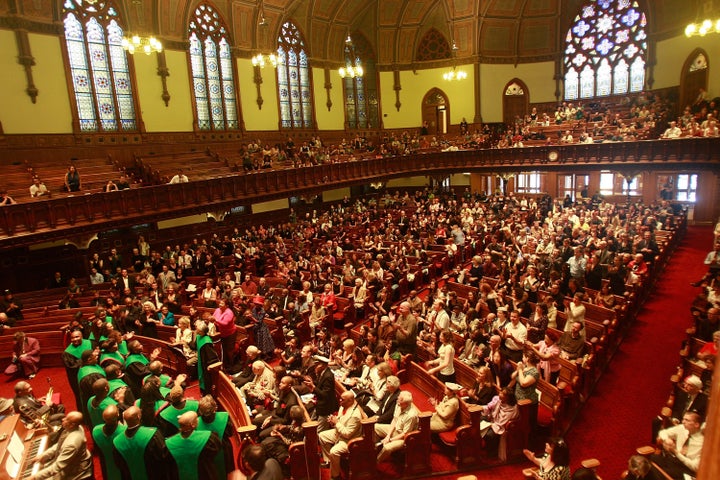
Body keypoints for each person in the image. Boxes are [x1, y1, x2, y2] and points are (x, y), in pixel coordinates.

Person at [27, 411, 93, 480]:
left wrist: (34, 477)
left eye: (67, 419)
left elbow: (57, 467)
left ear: (72, 425)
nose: (63, 419)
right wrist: (44, 455)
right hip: (66, 463)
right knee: (44, 467)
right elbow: (59, 444)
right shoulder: (75, 427)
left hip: (74, 470)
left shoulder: (72, 444)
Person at [113, 405, 171, 480]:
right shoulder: (152, 434)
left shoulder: (117, 441)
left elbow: (119, 464)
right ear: (139, 417)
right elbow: (163, 456)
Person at [318, 390, 363, 480]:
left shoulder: (355, 415)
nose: (340, 401)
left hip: (349, 441)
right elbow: (339, 420)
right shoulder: (343, 407)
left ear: (350, 401)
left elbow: (347, 434)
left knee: (334, 451)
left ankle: (336, 475)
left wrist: (337, 423)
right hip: (339, 433)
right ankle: (329, 461)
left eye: (342, 400)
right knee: (322, 435)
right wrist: (332, 421)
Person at [166, 411, 222, 480]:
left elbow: (168, 465)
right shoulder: (208, 438)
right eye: (196, 419)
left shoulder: (169, 443)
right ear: (193, 425)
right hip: (204, 475)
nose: (198, 420)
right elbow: (216, 451)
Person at [652, 411, 704, 479]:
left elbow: (695, 467)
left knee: (660, 473)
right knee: (650, 459)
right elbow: (663, 432)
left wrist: (676, 452)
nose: (683, 422)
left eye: (687, 420)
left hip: (687, 469)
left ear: (696, 424)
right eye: (683, 419)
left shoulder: (702, 443)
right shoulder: (682, 428)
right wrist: (666, 439)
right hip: (674, 460)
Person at [375, 390, 419, 463]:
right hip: (396, 430)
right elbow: (394, 420)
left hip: (404, 438)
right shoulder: (399, 405)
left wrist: (390, 440)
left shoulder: (411, 415)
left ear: (406, 404)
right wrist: (388, 436)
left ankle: (376, 462)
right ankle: (376, 448)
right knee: (375, 427)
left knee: (387, 448)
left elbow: (405, 434)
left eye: (399, 399)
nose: (397, 399)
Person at [480, 387, 519, 456]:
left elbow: (503, 422)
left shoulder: (512, 408)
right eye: (500, 392)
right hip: (493, 421)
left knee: (489, 435)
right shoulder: (498, 401)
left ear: (508, 398)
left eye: (503, 394)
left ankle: (492, 452)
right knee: (480, 419)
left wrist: (492, 424)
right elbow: (489, 408)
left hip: (502, 427)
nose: (500, 394)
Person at [303, 355, 338, 432]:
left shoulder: (328, 376)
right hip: (320, 404)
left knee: (319, 431)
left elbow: (325, 395)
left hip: (326, 407)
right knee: (310, 424)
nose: (315, 366)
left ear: (322, 365)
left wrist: (313, 387)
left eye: (316, 364)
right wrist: (312, 382)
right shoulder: (322, 373)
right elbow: (320, 385)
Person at [92, 404, 126, 480]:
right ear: (118, 414)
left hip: (106, 464)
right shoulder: (124, 431)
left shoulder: (96, 430)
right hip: (121, 466)